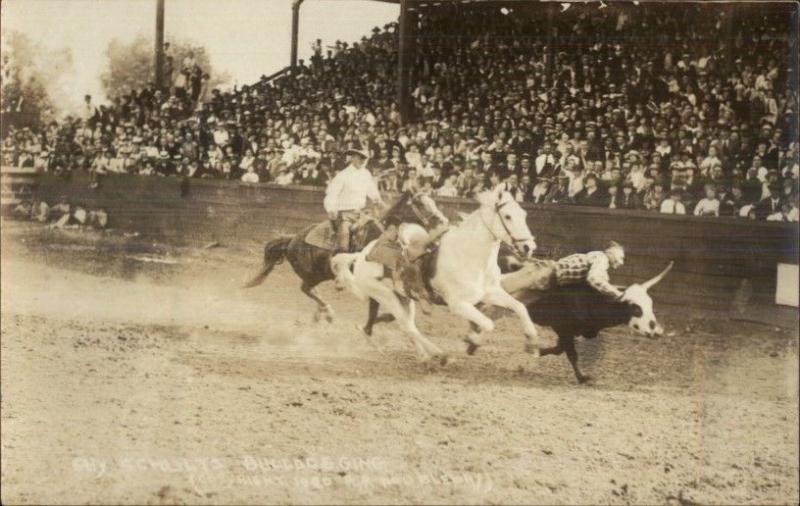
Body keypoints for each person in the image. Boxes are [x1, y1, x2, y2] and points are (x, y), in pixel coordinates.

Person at [323, 148, 386, 252]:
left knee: (378, 230)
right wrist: (331, 209)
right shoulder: (343, 175)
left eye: (364, 158)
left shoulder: (366, 173)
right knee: (344, 239)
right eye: (360, 158)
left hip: (361, 214)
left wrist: (379, 201)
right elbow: (331, 194)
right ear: (353, 158)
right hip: (344, 215)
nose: (362, 161)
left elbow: (372, 191)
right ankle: (340, 259)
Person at [553, 241, 626, 299]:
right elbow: (593, 278)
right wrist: (618, 294)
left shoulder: (600, 261)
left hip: (555, 277)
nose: (621, 262)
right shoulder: (602, 258)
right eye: (620, 258)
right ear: (610, 253)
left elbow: (602, 279)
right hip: (550, 273)